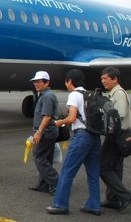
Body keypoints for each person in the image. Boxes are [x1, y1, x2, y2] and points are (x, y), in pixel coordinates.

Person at [47, 69, 101, 216]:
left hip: (82, 136)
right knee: (93, 173)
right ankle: (94, 205)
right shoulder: (91, 94)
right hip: (95, 136)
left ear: (70, 81)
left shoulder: (74, 95)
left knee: (67, 171)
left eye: (66, 81)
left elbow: (71, 118)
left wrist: (59, 122)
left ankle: (60, 204)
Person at [99, 67, 131, 212]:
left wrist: (103, 121)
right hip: (121, 134)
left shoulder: (118, 93)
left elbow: (120, 114)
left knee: (102, 167)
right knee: (115, 167)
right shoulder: (116, 93)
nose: (103, 81)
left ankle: (125, 196)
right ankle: (113, 199)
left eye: (106, 78)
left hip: (116, 135)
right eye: (102, 79)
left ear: (115, 79)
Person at [28, 71, 59, 195]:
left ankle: (58, 183)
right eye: (35, 82)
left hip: (46, 132)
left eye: (39, 81)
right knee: (46, 158)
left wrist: (39, 132)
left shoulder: (47, 96)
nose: (36, 84)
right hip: (47, 132)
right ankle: (43, 184)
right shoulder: (44, 95)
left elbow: (47, 116)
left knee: (39, 157)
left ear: (47, 83)